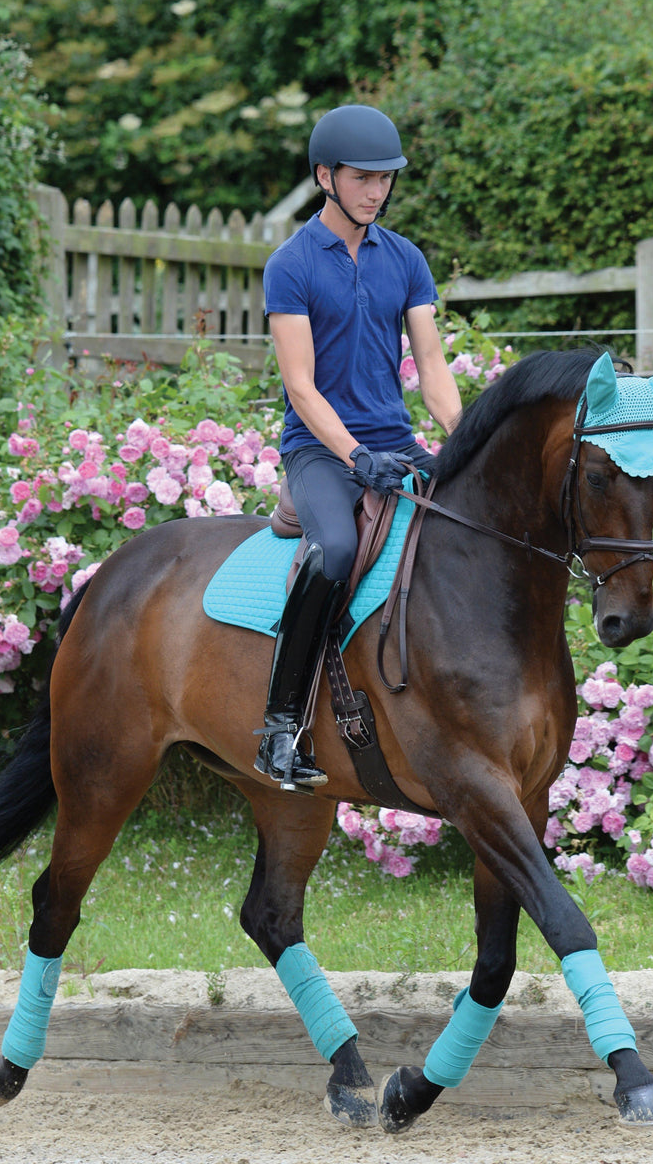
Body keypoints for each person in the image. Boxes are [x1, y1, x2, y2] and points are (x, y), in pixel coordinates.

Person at [255, 103, 462, 791]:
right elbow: (301, 386)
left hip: (394, 444)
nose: (377, 191)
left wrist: (463, 440)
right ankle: (280, 728)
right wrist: (353, 455)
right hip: (319, 451)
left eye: (386, 179)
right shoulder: (290, 265)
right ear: (326, 177)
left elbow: (430, 365)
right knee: (337, 550)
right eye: (363, 178)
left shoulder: (404, 259)